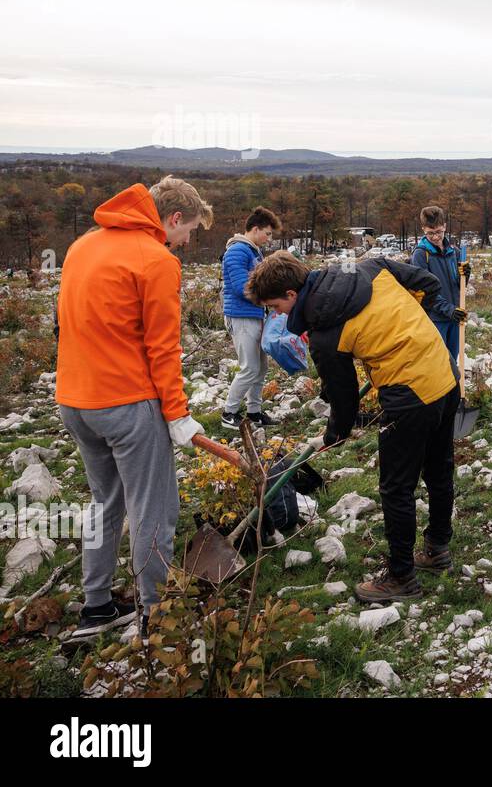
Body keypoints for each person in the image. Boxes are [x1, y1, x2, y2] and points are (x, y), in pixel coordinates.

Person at [245, 251, 459, 602]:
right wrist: (409, 324)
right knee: (438, 469)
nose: (276, 315)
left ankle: (402, 577)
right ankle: (437, 548)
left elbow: (344, 403)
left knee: (396, 488)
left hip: (410, 393)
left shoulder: (326, 335)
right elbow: (428, 284)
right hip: (444, 372)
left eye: (275, 306)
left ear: (291, 295)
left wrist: (335, 435)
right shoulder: (371, 267)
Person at [57, 176, 213, 640]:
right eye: (189, 233)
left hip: (75, 401)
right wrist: (178, 414)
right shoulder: (156, 260)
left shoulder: (82, 246)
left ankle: (97, 605)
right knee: (154, 509)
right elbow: (163, 349)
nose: (186, 243)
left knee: (105, 501)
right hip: (127, 403)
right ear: (174, 218)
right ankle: (156, 617)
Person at [220, 206, 281, 430]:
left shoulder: (252, 251)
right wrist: (267, 298)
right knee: (249, 367)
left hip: (254, 315)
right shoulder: (238, 251)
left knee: (261, 367)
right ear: (255, 229)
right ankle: (229, 412)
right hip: (242, 316)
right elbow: (238, 286)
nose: (269, 238)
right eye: (267, 233)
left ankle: (254, 412)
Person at [410, 206, 467, 361]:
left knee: (453, 362)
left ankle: (454, 386)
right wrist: (449, 309)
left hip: (455, 317)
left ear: (445, 227)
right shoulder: (420, 255)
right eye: (431, 233)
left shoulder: (453, 252)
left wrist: (466, 276)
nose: (435, 237)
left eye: (439, 232)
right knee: (438, 363)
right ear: (423, 230)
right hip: (435, 319)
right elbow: (425, 292)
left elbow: (458, 285)